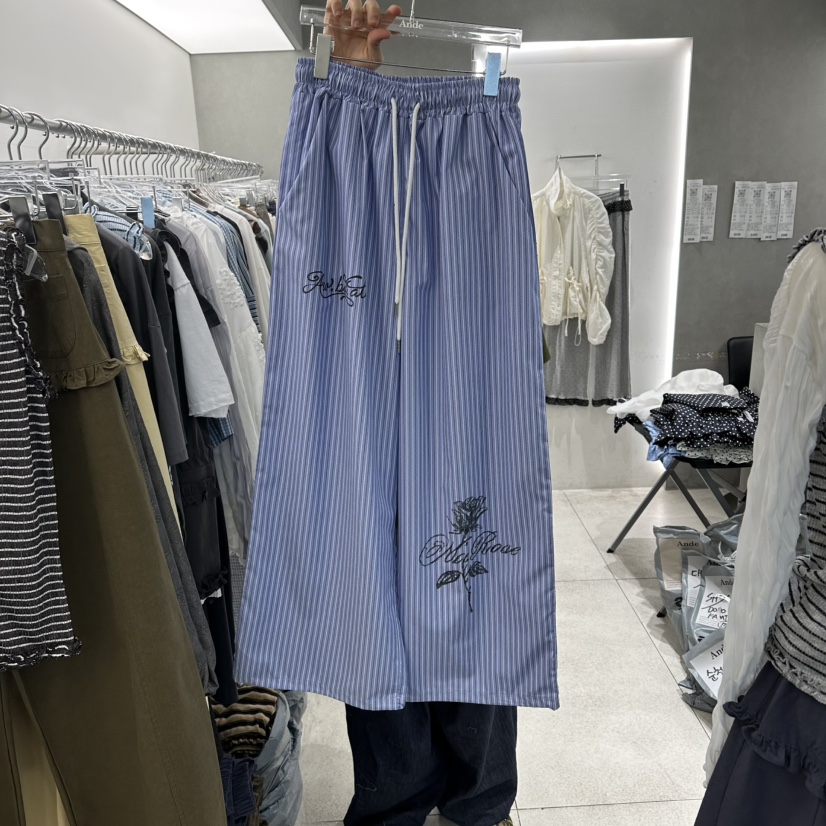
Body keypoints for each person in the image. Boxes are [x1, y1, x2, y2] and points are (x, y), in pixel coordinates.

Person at [321, 4, 518, 825]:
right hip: (362, 406)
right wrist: (350, 75)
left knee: (470, 591)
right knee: (374, 605)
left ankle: (475, 801)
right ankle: (400, 798)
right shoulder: (343, 188)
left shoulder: (475, 186)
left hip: (461, 406)